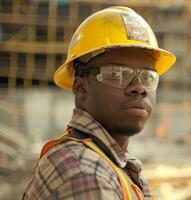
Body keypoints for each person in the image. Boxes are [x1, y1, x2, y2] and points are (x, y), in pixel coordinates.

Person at [22, 6, 176, 200]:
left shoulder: (106, 161)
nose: (139, 87)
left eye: (148, 76)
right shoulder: (86, 174)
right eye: (116, 74)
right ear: (80, 87)